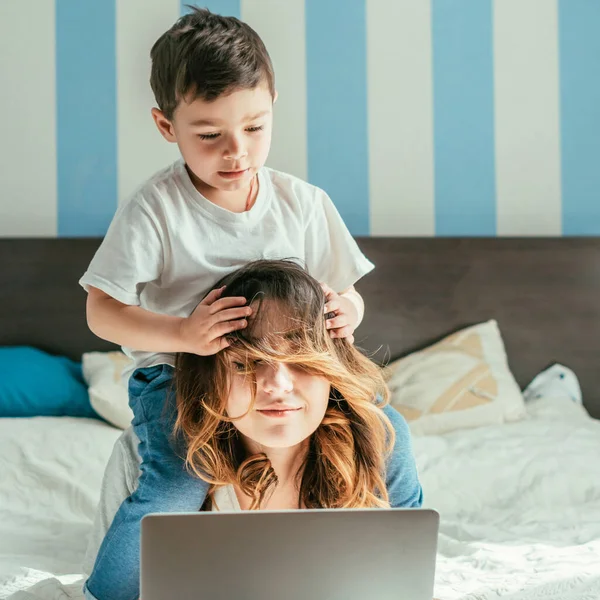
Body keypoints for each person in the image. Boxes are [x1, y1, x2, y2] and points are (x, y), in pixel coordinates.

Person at [80, 8, 384, 600]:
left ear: (273, 105)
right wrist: (185, 333)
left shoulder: (302, 202)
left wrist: (350, 310)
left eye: (255, 127)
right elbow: (101, 311)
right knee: (176, 480)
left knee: (383, 429)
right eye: (209, 134)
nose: (236, 151)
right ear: (167, 127)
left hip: (285, 373)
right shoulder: (155, 210)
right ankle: (107, 590)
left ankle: (391, 565)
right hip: (176, 373)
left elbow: (346, 290)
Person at [83, 261, 423, 596]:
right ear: (212, 377)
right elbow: (107, 594)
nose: (277, 385)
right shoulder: (147, 454)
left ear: (332, 372)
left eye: (301, 361)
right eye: (247, 362)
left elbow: (408, 580)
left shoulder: (382, 438)